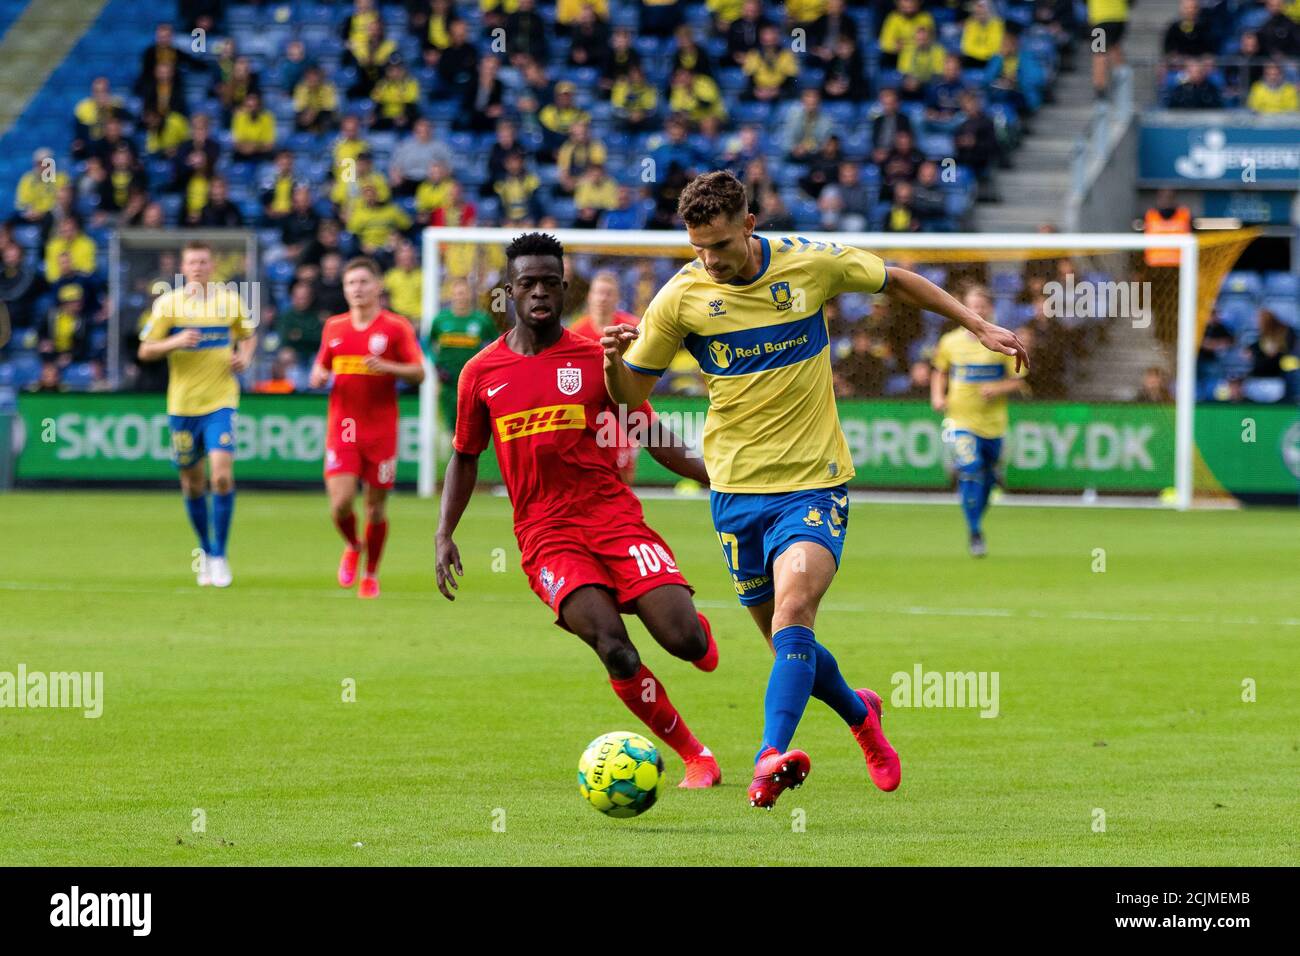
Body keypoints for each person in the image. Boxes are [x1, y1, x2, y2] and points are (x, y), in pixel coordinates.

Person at [603, 170, 1028, 808]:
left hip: (813, 482)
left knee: (794, 611)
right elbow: (630, 399)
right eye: (698, 248)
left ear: (750, 225)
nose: (709, 261)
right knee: (786, 644)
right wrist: (614, 361)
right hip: (733, 491)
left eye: (719, 246)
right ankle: (862, 715)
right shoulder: (680, 299)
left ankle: (767, 757)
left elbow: (899, 279)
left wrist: (976, 325)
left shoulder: (810, 264)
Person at [435, 232, 723, 789]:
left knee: (684, 640)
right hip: (546, 536)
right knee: (614, 647)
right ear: (509, 292)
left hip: (613, 519)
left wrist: (717, 476)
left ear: (565, 288)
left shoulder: (597, 360)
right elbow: (465, 457)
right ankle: (695, 755)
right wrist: (445, 531)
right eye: (527, 284)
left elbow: (649, 432)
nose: (539, 293)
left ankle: (690, 628)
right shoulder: (480, 374)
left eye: (550, 283)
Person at [137, 241, 256, 588]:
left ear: (212, 265)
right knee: (192, 482)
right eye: (193, 262)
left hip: (221, 401)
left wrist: (244, 357)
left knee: (220, 476)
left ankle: (220, 554)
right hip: (183, 404)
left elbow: (248, 336)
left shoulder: (229, 301)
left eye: (204, 261)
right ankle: (204, 550)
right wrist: (174, 342)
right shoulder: (169, 304)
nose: (199, 267)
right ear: (183, 267)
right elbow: (145, 349)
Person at [308, 257, 426, 599]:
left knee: (375, 507)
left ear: (377, 287)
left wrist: (387, 366)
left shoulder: (395, 327)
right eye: (351, 284)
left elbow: (418, 372)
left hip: (381, 430)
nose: (357, 289)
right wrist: (318, 376)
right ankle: (353, 544)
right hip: (343, 428)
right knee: (341, 504)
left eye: (363, 282)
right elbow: (321, 366)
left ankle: (371, 573)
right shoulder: (334, 327)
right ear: (344, 290)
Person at [931, 287, 1029, 557]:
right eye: (971, 305)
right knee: (971, 467)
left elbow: (1019, 381)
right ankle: (974, 531)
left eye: (982, 306)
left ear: (989, 309)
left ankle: (976, 519)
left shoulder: (1001, 342)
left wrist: (997, 389)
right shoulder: (950, 342)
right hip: (959, 419)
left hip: (993, 423)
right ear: (963, 308)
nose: (977, 311)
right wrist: (938, 396)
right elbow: (939, 372)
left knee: (986, 477)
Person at [428, 277, 490, 436]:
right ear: (451, 295)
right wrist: (436, 365)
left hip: (473, 381)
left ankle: (472, 456)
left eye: (464, 293)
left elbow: (495, 346)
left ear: (470, 295)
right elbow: (427, 344)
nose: (460, 297)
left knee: (472, 422)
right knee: (451, 423)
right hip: (448, 379)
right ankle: (453, 455)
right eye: (457, 293)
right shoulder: (440, 320)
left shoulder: (482, 320)